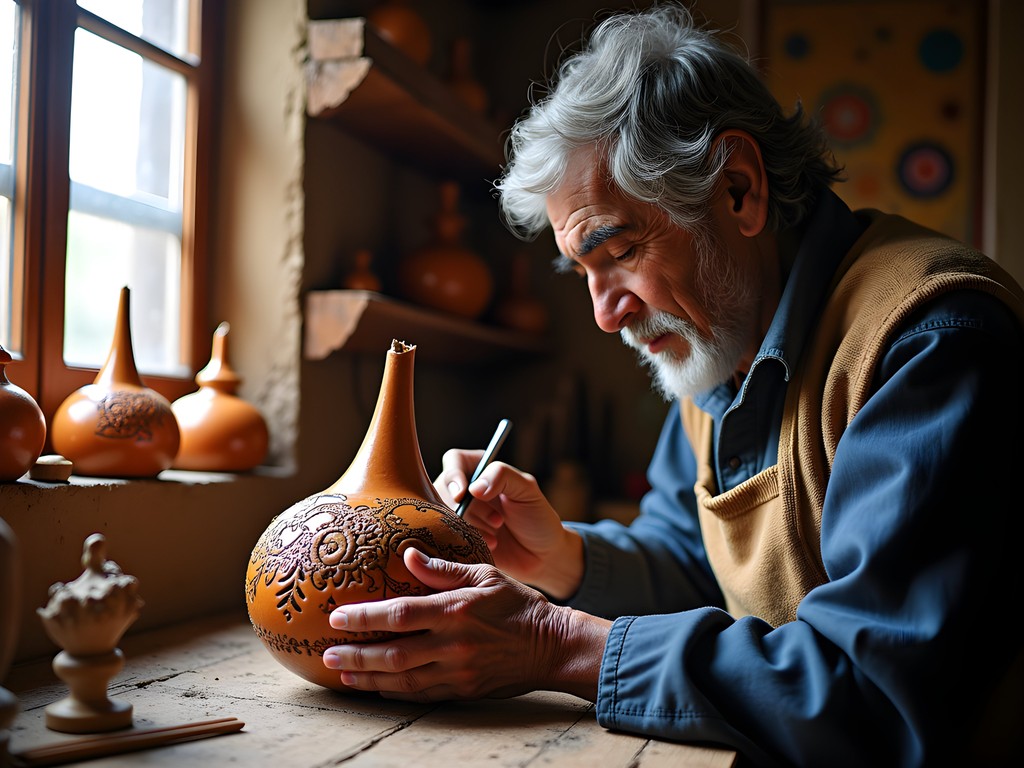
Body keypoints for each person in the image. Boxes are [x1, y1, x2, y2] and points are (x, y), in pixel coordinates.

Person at [321, 3, 1024, 765]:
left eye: (617, 250)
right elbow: (696, 563)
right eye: (581, 271)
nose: (602, 312)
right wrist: (561, 559)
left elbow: (873, 692)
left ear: (739, 190)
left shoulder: (930, 344)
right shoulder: (717, 344)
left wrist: (558, 646)